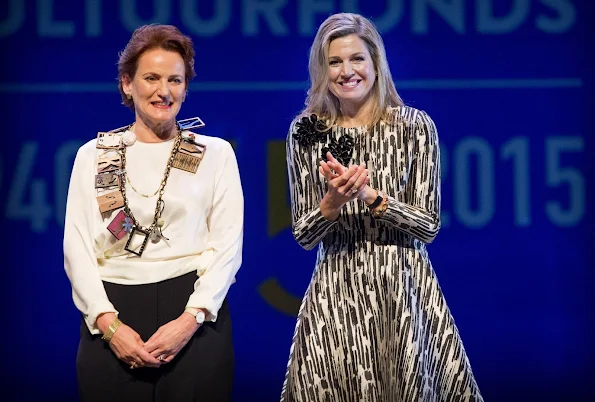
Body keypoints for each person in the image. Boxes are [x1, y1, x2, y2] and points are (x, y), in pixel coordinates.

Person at [281, 13, 482, 402]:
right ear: (322, 70)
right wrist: (332, 203)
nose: (346, 71)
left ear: (376, 63)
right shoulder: (307, 131)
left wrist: (372, 198)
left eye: (356, 59)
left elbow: (428, 225)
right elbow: (304, 235)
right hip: (336, 292)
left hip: (403, 290)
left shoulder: (414, 126)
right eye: (334, 62)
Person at [63, 24, 243, 402]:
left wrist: (188, 321)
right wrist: (108, 325)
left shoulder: (216, 153)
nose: (164, 91)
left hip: (193, 318)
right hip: (112, 317)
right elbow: (76, 248)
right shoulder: (91, 156)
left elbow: (226, 248)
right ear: (127, 83)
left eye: (175, 80)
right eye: (151, 78)